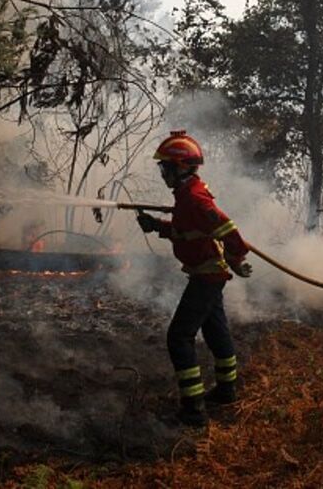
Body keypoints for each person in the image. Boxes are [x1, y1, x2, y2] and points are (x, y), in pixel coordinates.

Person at [136, 130, 253, 427]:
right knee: (215, 332)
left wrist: (236, 257)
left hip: (207, 276)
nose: (163, 173)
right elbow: (187, 232)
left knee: (178, 337)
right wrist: (157, 226)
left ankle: (193, 410)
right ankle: (227, 391)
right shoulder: (186, 196)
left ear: (181, 167)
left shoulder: (195, 198)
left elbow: (228, 230)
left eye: (166, 167)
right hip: (208, 273)